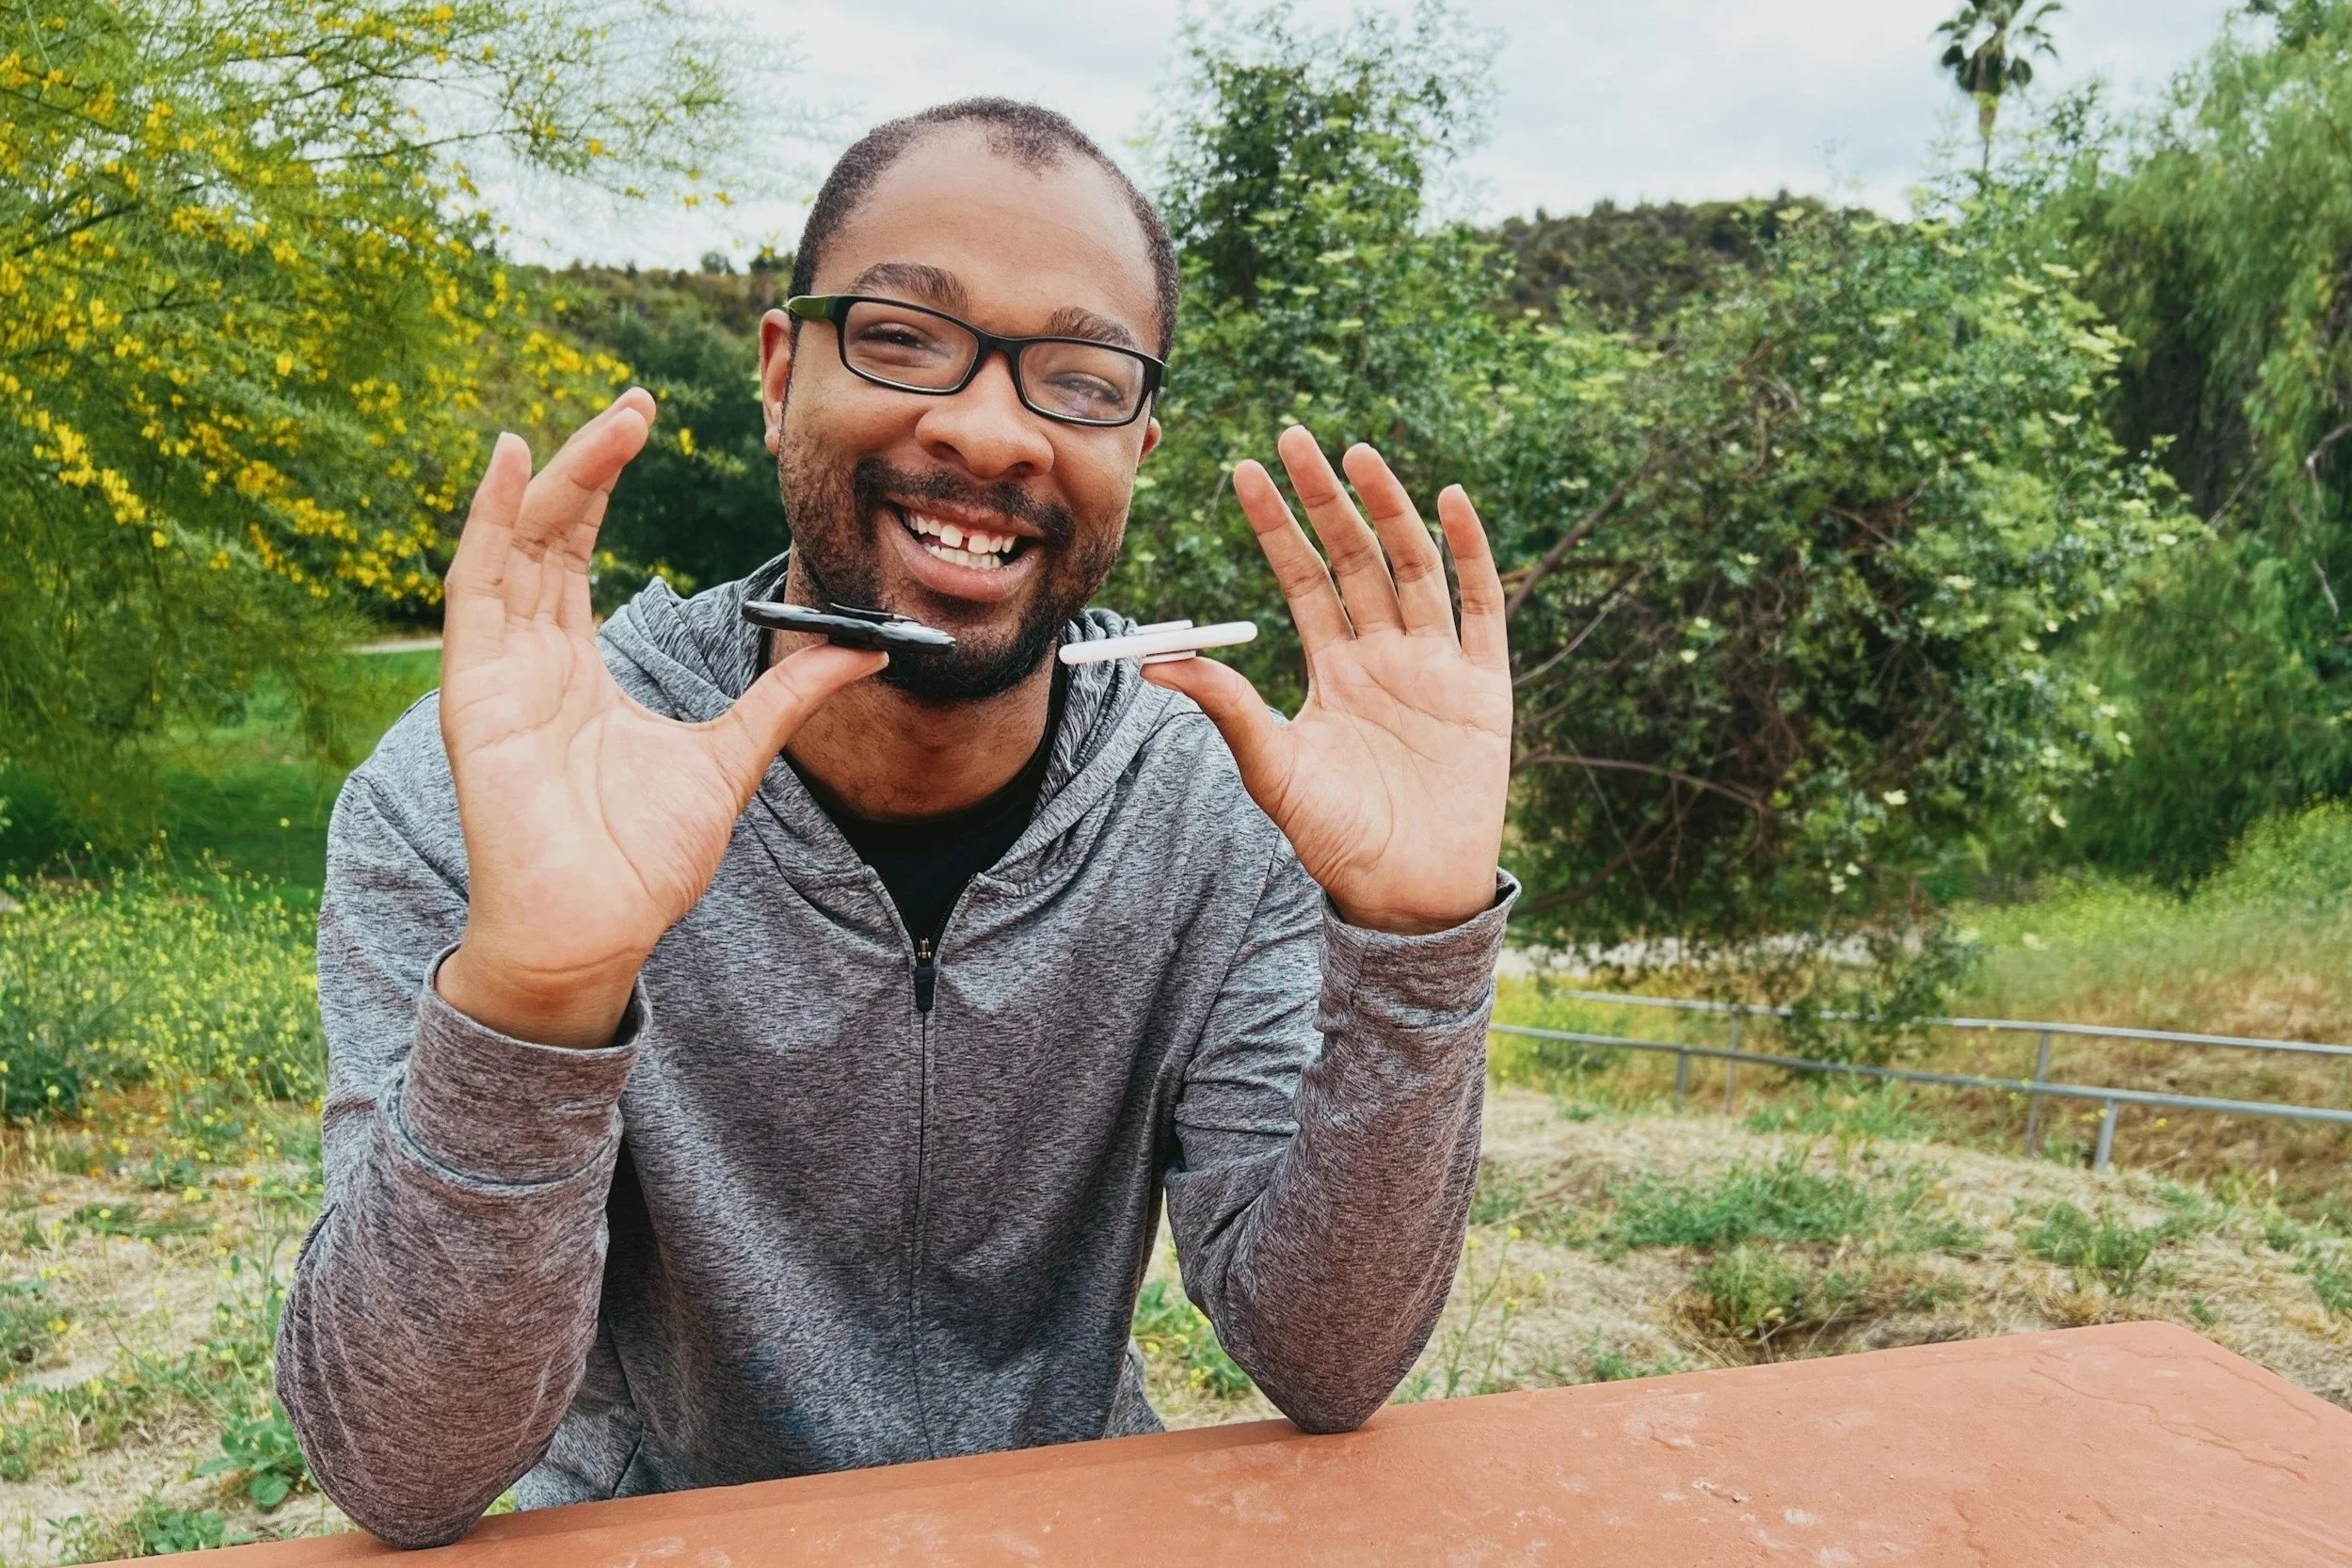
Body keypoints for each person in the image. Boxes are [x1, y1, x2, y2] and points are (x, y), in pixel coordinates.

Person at [277, 97, 1516, 1549]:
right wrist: (536, 994)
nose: (988, 428)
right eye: (904, 337)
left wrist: (1414, 942)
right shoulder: (491, 793)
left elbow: (1328, 1358)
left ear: (1138, 441)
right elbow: (401, 1470)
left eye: (1077, 375)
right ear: (779, 371)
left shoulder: (1218, 806)